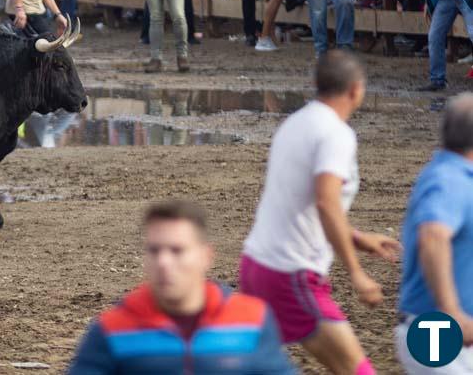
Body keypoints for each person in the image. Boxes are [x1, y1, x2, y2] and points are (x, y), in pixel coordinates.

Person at [240, 50, 401, 375]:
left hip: (256, 264)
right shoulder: (336, 134)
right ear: (356, 90)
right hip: (291, 273)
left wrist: (356, 237)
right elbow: (327, 203)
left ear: (317, 84)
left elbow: (304, 202)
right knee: (357, 371)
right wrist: (356, 273)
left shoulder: (295, 122)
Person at [68, 201, 295, 374]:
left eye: (177, 250)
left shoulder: (252, 320)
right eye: (154, 251)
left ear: (206, 256)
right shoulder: (111, 330)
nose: (164, 262)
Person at [397, 93, 473, 374]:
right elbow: (432, 237)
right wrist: (451, 310)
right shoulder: (449, 180)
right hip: (438, 329)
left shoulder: (453, 175)